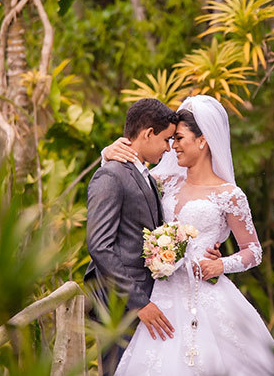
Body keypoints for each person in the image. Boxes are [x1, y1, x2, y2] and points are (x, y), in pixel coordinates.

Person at [102, 95, 274, 376]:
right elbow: (125, 180)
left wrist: (221, 264)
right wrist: (108, 154)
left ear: (202, 140)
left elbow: (253, 250)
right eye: (171, 140)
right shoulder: (162, 181)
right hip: (162, 295)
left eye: (179, 138)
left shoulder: (229, 195)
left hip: (207, 294)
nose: (173, 146)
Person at [84, 98, 221, 375]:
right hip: (119, 303)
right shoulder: (111, 175)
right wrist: (140, 303)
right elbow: (100, 247)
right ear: (147, 133)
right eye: (166, 139)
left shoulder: (145, 174)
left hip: (145, 296)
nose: (169, 148)